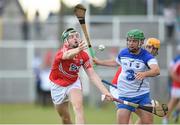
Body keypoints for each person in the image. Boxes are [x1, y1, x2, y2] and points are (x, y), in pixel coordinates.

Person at [93, 29, 160, 124]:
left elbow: (156, 70)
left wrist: (144, 74)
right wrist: (99, 62)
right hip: (124, 96)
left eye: (134, 41)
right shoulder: (123, 53)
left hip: (141, 96)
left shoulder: (147, 56)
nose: (131, 43)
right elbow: (115, 62)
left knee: (148, 122)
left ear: (140, 42)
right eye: (129, 40)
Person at [49, 28, 113, 124]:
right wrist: (78, 49)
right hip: (57, 85)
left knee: (78, 107)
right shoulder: (62, 52)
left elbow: (92, 75)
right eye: (71, 37)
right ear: (66, 41)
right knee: (65, 118)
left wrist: (105, 91)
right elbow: (67, 55)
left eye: (77, 36)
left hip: (73, 83)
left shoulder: (83, 55)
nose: (75, 38)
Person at [109, 37, 161, 124]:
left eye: (154, 48)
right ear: (144, 46)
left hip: (134, 91)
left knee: (146, 117)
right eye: (149, 47)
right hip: (118, 88)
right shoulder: (137, 55)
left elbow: (154, 72)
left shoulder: (150, 60)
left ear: (157, 51)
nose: (151, 50)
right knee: (127, 116)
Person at [162, 45, 180, 124]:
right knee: (172, 102)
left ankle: (175, 113)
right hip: (177, 85)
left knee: (173, 102)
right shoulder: (177, 60)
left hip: (176, 85)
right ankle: (166, 118)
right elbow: (172, 73)